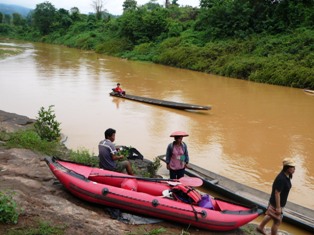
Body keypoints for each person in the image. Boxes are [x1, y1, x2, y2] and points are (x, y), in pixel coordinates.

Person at [256, 158, 296, 235]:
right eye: (292, 167)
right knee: (277, 221)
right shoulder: (282, 178)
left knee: (270, 216)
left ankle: (260, 227)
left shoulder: (287, 176)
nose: (294, 169)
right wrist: (278, 207)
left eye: (294, 167)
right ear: (287, 168)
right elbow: (277, 193)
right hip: (276, 204)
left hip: (276, 202)